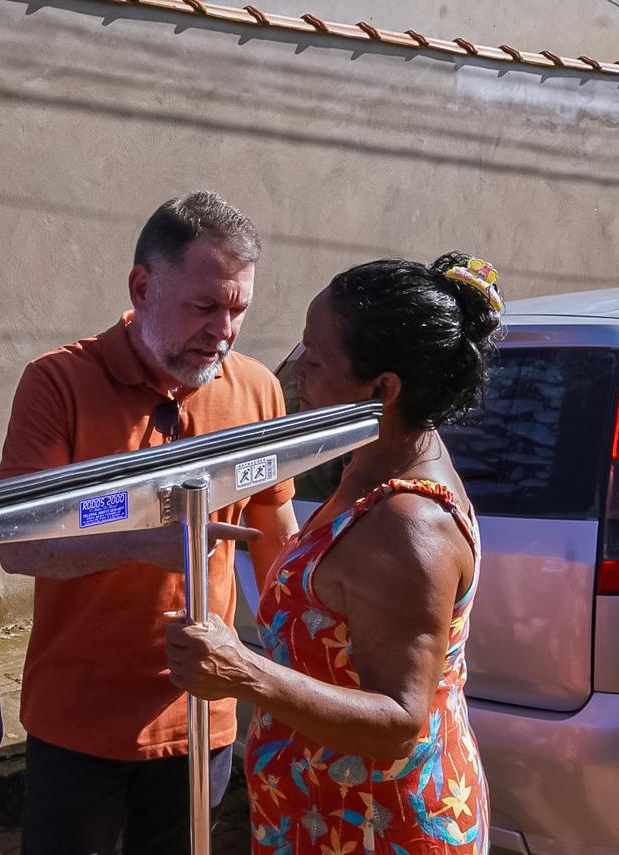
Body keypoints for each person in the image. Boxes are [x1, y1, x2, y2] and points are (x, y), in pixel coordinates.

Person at [0, 191, 300, 855]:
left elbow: (275, 536)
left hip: (202, 715)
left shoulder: (256, 391)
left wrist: (296, 658)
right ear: (142, 286)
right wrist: (145, 540)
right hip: (80, 721)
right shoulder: (59, 383)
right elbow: (18, 547)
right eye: (204, 306)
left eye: (238, 308)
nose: (224, 329)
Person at [165, 253, 500, 853]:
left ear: (383, 389)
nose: (295, 371)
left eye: (314, 359)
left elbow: (400, 719)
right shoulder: (374, 468)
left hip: (379, 827)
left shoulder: (408, 523)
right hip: (332, 814)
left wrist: (242, 670)